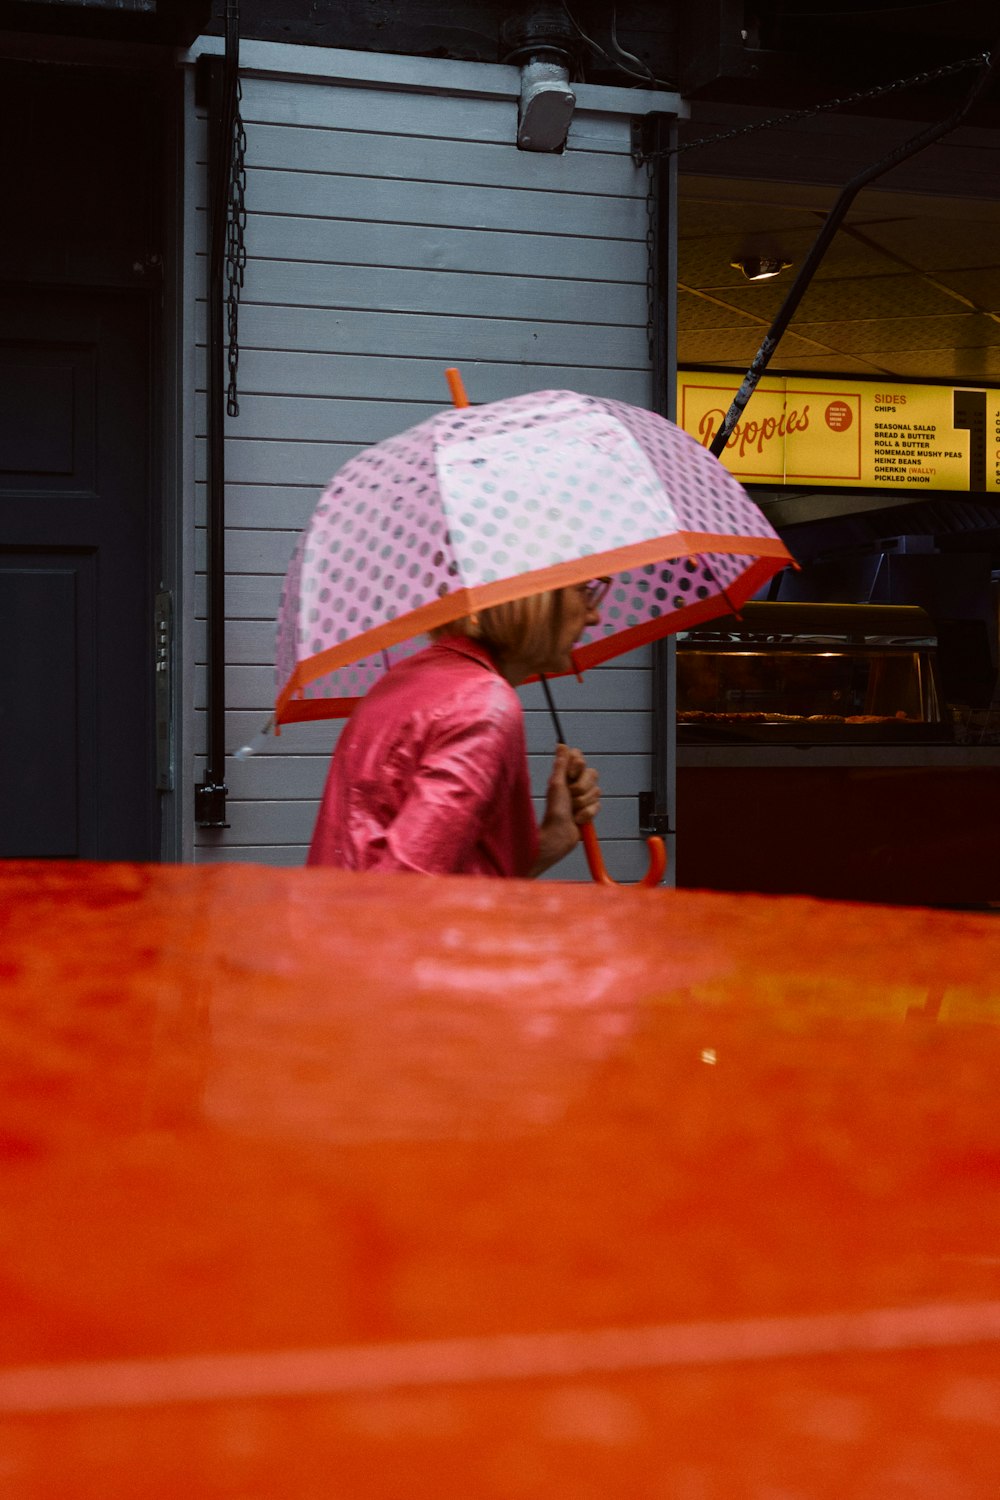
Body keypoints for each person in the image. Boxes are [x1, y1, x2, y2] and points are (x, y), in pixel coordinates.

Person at [306, 580, 607, 877]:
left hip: (331, 918)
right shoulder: (482, 705)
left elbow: (440, 873)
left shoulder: (407, 680)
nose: (594, 616)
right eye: (584, 591)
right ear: (534, 596)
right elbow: (404, 892)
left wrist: (552, 841)